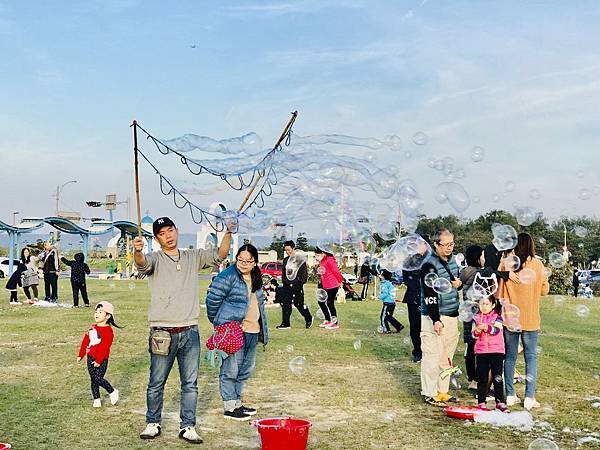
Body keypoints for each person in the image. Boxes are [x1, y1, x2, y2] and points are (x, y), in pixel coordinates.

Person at [134, 216, 233, 443]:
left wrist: (228, 232)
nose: (168, 236)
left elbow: (221, 254)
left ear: (177, 231)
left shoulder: (192, 256)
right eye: (162, 233)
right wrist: (137, 250)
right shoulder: (155, 259)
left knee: (190, 383)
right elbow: (141, 264)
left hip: (190, 330)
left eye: (170, 230)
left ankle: (187, 426)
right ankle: (152, 422)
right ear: (157, 239)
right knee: (156, 381)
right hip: (161, 331)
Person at [206, 244, 269, 421]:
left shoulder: (256, 277)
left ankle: (237, 403)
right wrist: (220, 323)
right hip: (234, 331)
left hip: (253, 330)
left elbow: (259, 305)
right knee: (230, 370)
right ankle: (229, 407)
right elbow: (212, 300)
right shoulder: (227, 276)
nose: (243, 264)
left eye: (248, 261)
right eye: (240, 259)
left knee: (245, 370)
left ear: (254, 262)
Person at [499, 232, 549, 411]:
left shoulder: (507, 263)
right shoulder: (538, 265)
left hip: (511, 318)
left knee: (510, 357)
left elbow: (498, 290)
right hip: (531, 318)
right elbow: (544, 291)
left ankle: (510, 394)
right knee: (531, 358)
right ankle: (529, 396)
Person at [419, 229, 462, 407]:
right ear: (436, 244)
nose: (449, 248)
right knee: (432, 356)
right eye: (445, 245)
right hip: (434, 317)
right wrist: (436, 319)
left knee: (446, 357)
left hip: (452, 314)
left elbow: (452, 286)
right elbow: (430, 294)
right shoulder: (428, 265)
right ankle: (429, 392)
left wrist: (458, 285)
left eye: (451, 244)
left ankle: (442, 390)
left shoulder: (453, 261)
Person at [77, 301, 120, 408]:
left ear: (108, 316)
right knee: (93, 378)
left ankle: (112, 391)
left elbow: (105, 347)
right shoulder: (92, 328)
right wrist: (81, 354)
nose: (96, 314)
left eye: (100, 312)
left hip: (102, 359)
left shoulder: (108, 331)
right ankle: (96, 399)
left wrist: (99, 360)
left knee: (97, 377)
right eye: (96, 312)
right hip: (90, 357)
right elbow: (86, 341)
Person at [471, 296, 508, 412]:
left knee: (497, 377)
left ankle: (500, 402)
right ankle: (481, 401)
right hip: (482, 352)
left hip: (496, 351)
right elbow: (473, 335)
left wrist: (486, 327)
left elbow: (496, 330)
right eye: (482, 304)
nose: (484, 306)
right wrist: (477, 331)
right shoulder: (476, 318)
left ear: (493, 305)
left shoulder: (497, 317)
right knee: (482, 377)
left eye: (487, 304)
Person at [459, 245, 486, 390]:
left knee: (470, 345)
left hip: (467, 312)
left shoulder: (464, 272)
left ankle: (472, 379)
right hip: (476, 313)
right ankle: (476, 378)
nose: (484, 258)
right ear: (477, 258)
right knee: (477, 347)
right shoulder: (478, 274)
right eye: (482, 255)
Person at [277, 240, 312, 330]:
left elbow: (304, 274)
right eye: (286, 250)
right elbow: (284, 274)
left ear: (293, 248)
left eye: (289, 250)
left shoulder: (300, 260)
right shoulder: (285, 260)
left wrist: (299, 283)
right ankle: (286, 323)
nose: (287, 252)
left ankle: (308, 318)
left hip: (297, 285)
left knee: (298, 304)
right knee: (286, 304)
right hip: (287, 286)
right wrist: (285, 283)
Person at [314, 247, 344, 330]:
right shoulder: (322, 261)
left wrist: (340, 280)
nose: (316, 256)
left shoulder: (330, 260)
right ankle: (327, 319)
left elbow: (336, 271)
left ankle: (334, 322)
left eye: (317, 255)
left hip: (332, 285)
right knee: (321, 302)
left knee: (330, 303)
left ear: (323, 253)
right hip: (324, 284)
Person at [402, 269, 422, 362]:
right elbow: (406, 280)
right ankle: (418, 351)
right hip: (413, 298)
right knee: (415, 327)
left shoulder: (430, 259)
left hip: (427, 297)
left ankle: (425, 351)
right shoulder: (409, 262)